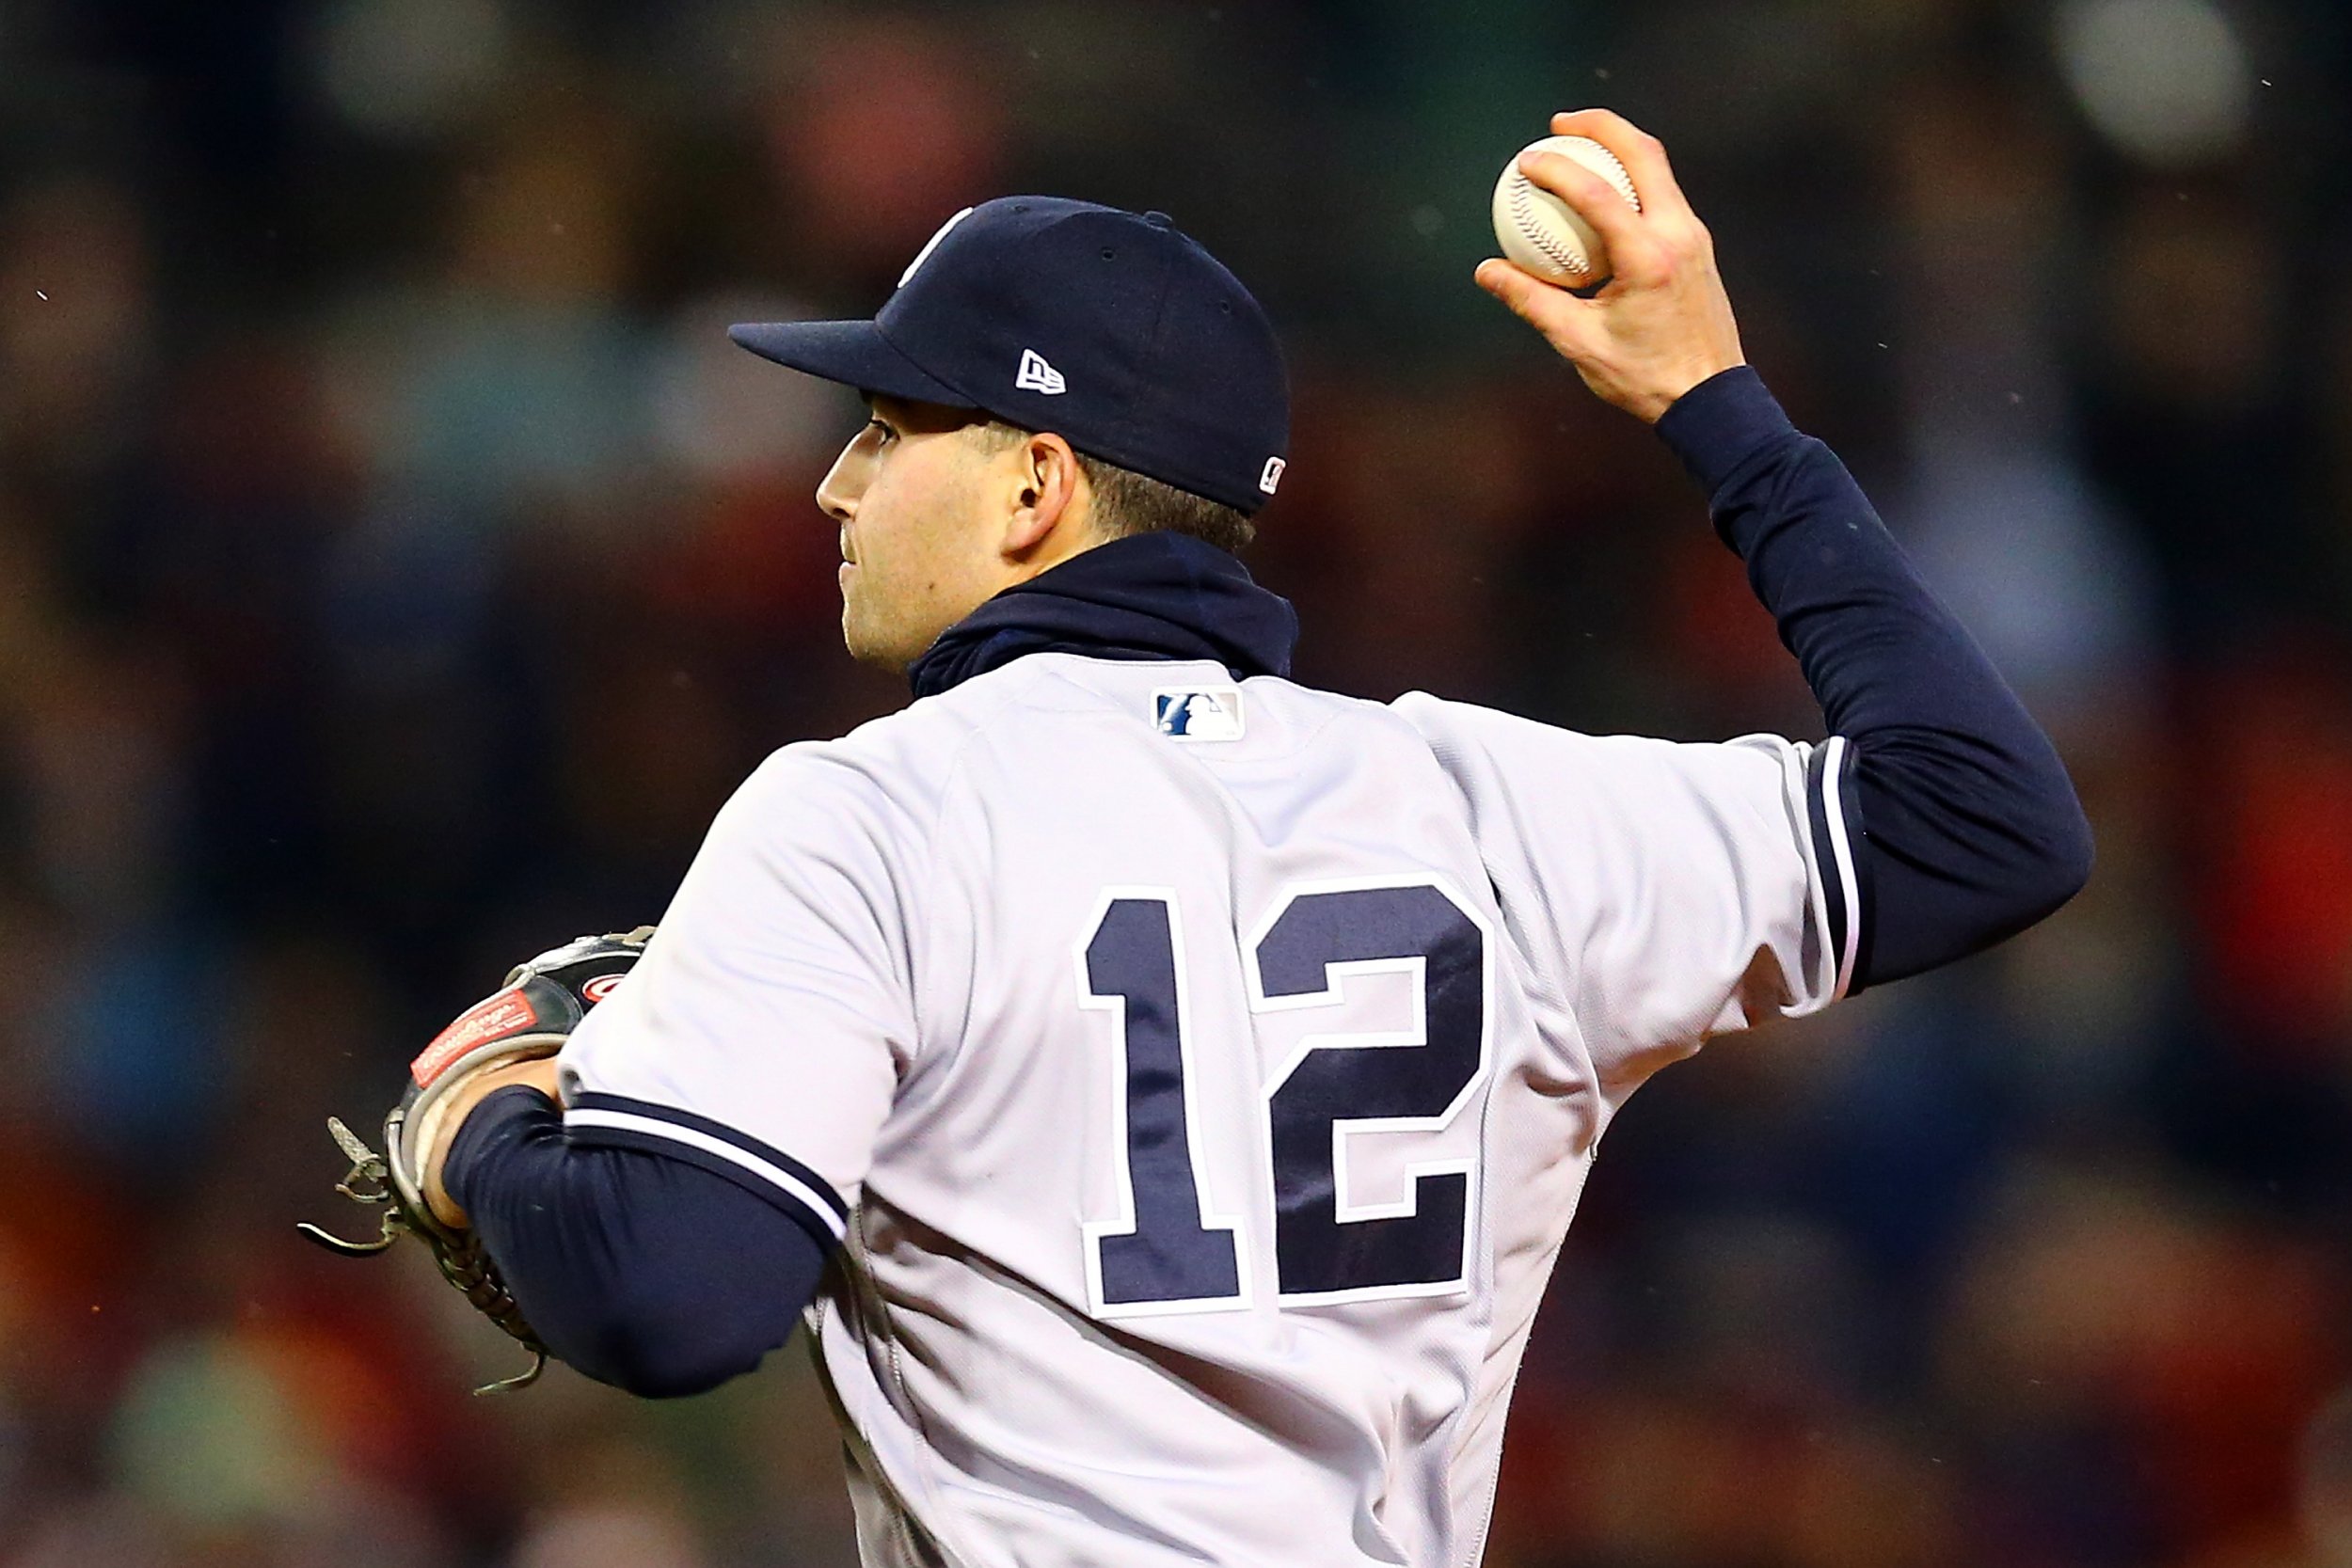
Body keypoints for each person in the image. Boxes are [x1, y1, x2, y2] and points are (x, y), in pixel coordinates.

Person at [415, 110, 2090, 1567]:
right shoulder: (1493, 809)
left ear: (1035, 488)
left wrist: (484, 1129)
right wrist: (1715, 404)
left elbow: (669, 1299)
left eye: (887, 429)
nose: (837, 488)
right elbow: (1985, 819)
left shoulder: (870, 813)